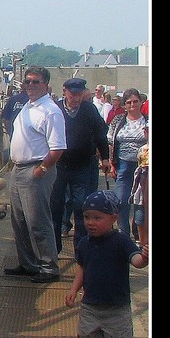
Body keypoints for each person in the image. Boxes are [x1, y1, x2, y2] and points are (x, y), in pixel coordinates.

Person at [64, 190, 148, 338]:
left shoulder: (121, 241)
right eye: (87, 217)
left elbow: (136, 261)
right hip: (90, 307)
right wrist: (74, 289)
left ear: (113, 218)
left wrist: (145, 257)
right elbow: (82, 268)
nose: (91, 222)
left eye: (97, 218)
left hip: (117, 310)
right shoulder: (84, 243)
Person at [5, 65, 66, 283]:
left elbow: (57, 148)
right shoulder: (29, 106)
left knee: (38, 221)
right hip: (19, 168)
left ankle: (49, 267)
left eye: (35, 81)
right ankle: (28, 263)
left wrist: (43, 169)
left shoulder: (50, 111)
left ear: (46, 85)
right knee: (19, 220)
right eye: (27, 82)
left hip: (36, 168)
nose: (30, 85)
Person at [50, 77, 109, 252]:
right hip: (59, 165)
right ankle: (54, 249)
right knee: (55, 207)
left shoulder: (89, 109)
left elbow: (100, 134)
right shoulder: (56, 109)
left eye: (79, 94)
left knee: (81, 207)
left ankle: (81, 250)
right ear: (64, 92)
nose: (75, 98)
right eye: (72, 94)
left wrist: (105, 158)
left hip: (81, 166)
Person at [107, 88, 148, 236]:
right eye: (129, 102)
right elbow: (111, 142)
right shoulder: (118, 120)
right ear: (124, 105)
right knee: (121, 201)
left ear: (141, 102)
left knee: (140, 204)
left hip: (143, 168)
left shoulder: (147, 120)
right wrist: (111, 163)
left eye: (135, 101)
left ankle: (139, 236)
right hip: (123, 165)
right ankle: (123, 234)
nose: (132, 105)